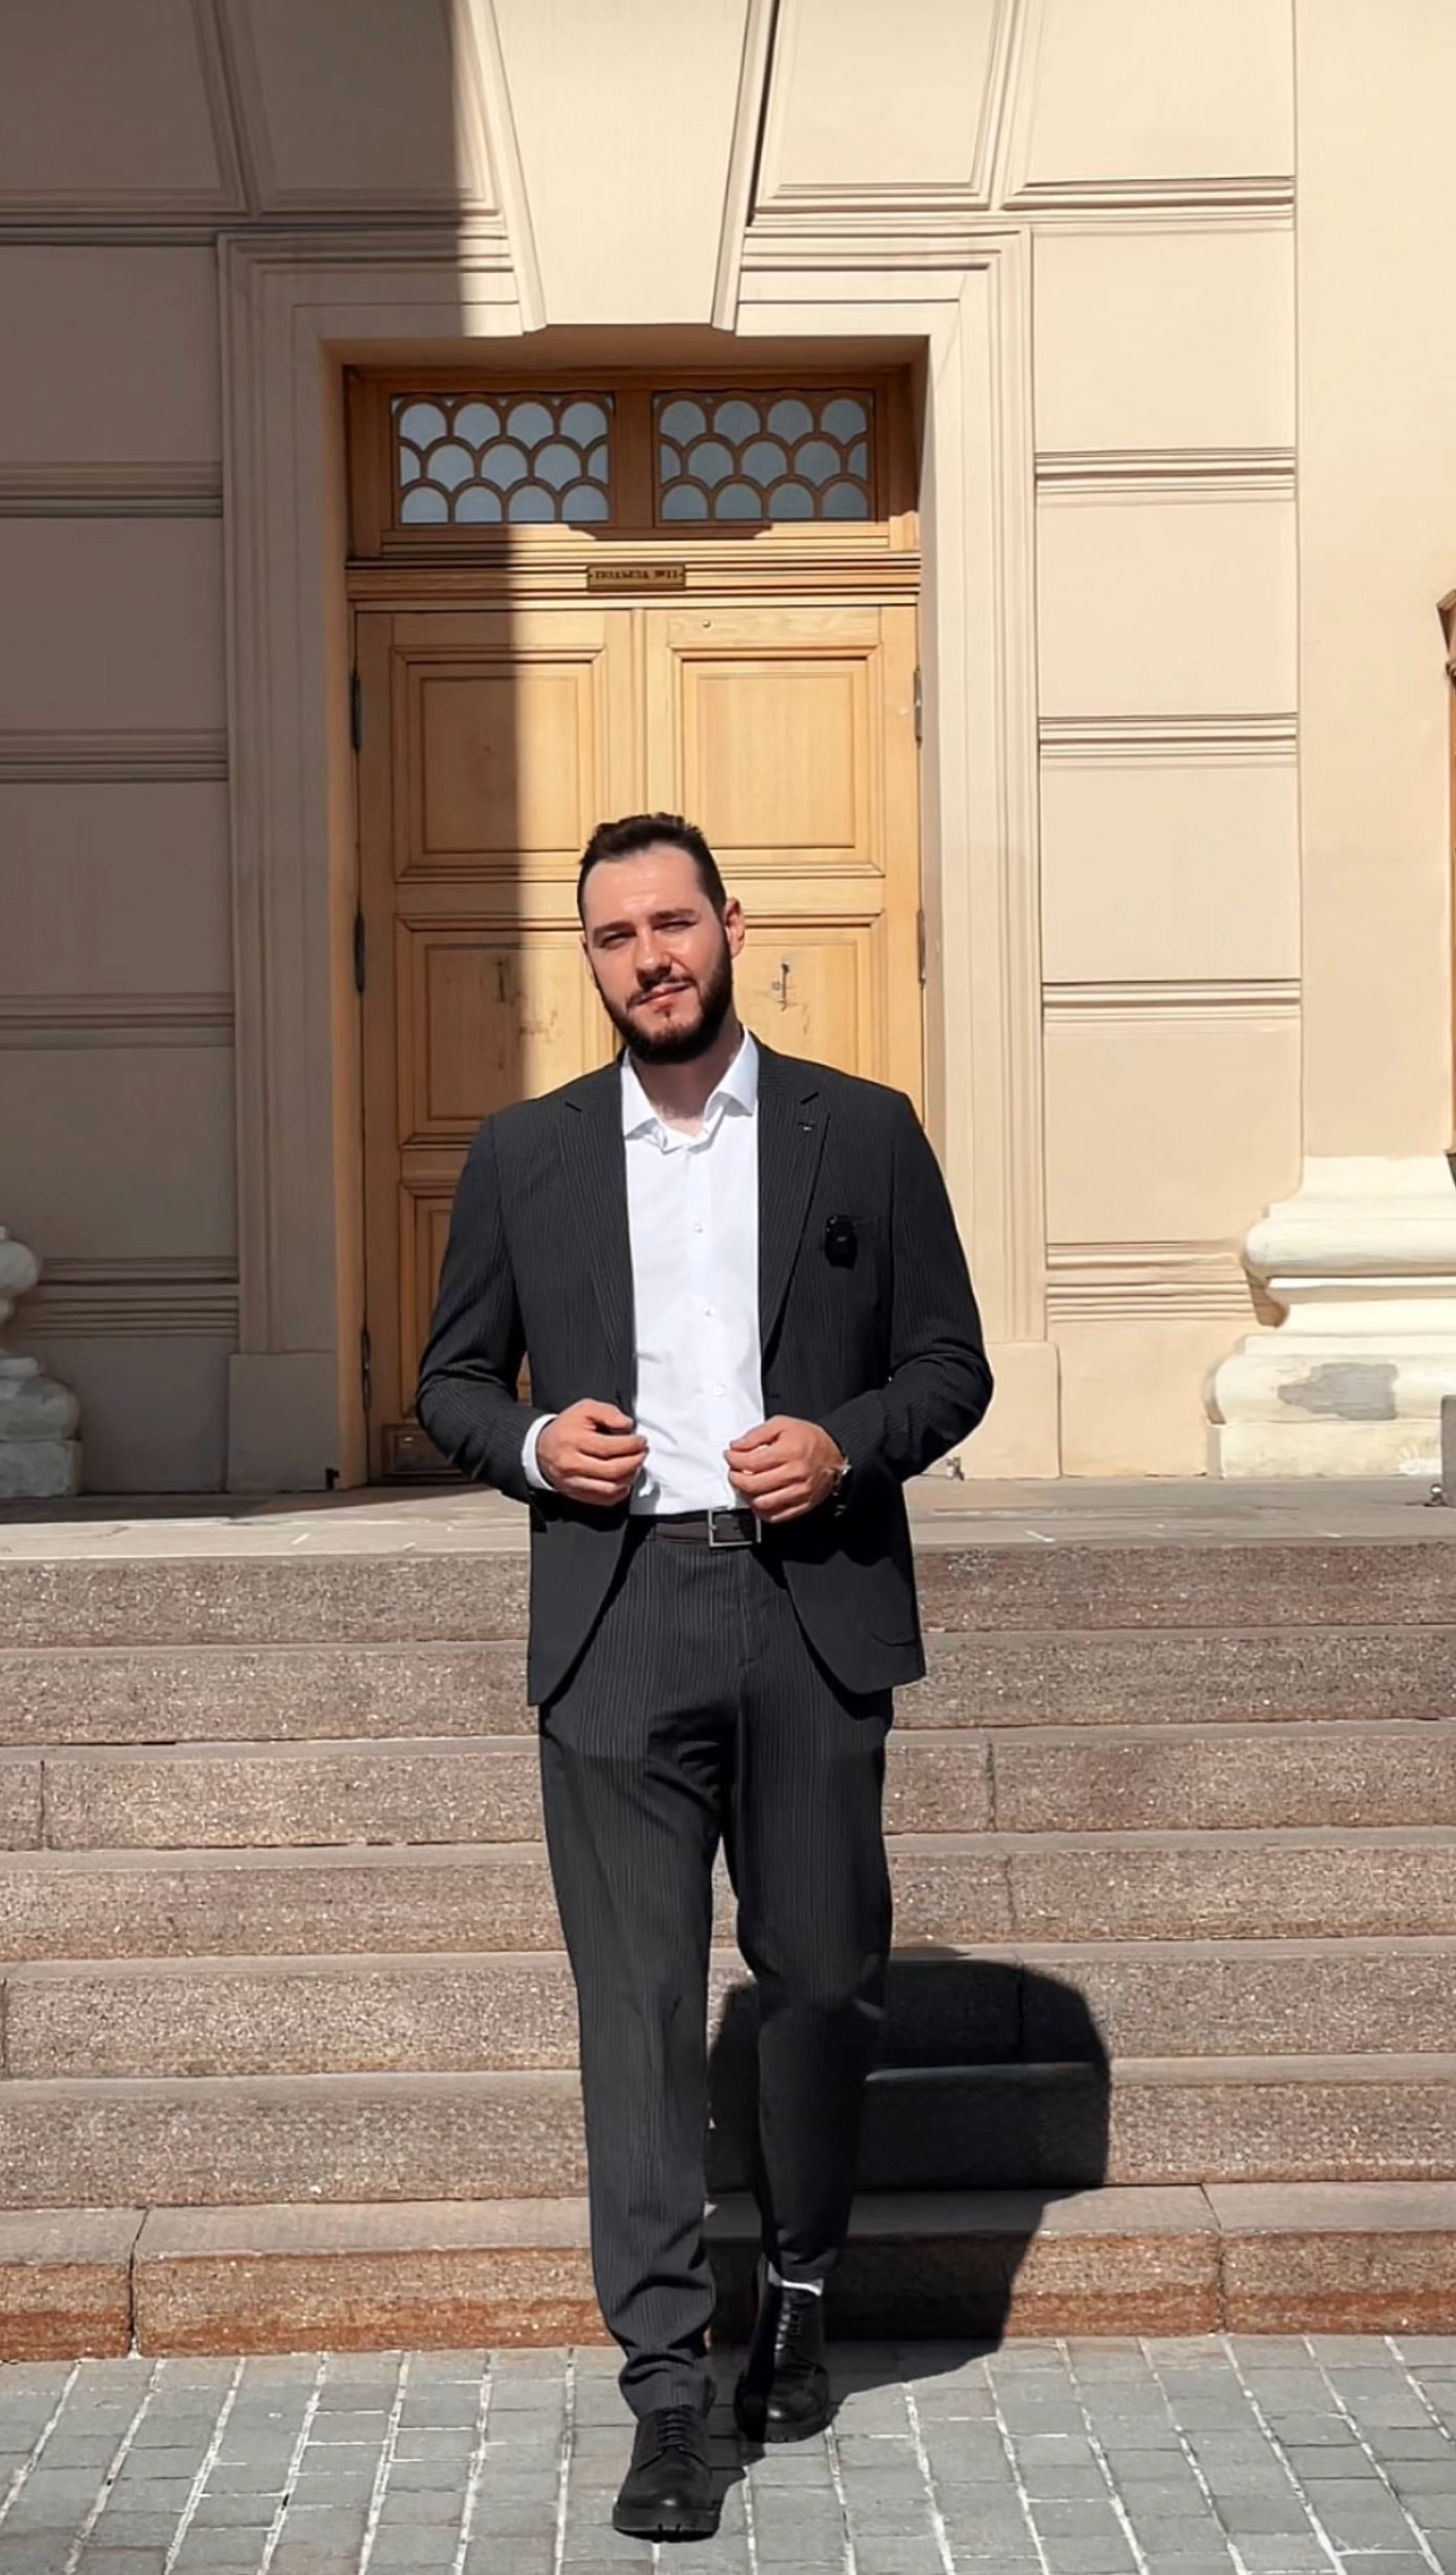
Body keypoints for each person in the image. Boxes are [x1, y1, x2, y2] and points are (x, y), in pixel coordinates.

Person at [416, 811, 992, 2543]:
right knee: (640, 2013)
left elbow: (949, 1364)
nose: (650, 957)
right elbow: (450, 1382)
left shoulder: (859, 1131)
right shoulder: (524, 1154)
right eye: (616, 936)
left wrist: (845, 1442)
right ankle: (668, 2392)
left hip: (809, 1610)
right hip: (617, 1620)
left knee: (822, 1976)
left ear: (732, 926)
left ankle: (799, 2292)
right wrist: (536, 1442)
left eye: (673, 923)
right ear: (589, 960)